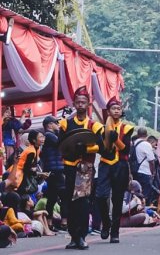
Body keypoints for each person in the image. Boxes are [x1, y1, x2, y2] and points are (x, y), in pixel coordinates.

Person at [59, 86, 104, 250]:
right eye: (77, 102)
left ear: (88, 104)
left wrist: (85, 149)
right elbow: (60, 145)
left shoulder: (94, 125)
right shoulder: (65, 123)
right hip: (70, 167)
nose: (80, 105)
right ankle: (73, 237)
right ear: (74, 104)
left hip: (85, 168)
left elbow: (101, 147)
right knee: (70, 203)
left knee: (83, 203)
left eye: (83, 102)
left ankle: (82, 236)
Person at [95, 97, 134, 243]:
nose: (116, 111)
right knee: (100, 196)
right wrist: (104, 141)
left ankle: (115, 232)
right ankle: (106, 222)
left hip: (120, 166)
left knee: (117, 199)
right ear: (109, 111)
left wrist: (116, 139)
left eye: (118, 108)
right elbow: (101, 150)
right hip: (105, 164)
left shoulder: (127, 128)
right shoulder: (100, 128)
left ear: (121, 110)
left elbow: (126, 149)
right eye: (113, 108)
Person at [40, 116, 65, 231]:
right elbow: (61, 143)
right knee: (63, 195)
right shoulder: (50, 136)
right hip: (55, 169)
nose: (58, 125)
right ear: (49, 125)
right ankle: (64, 221)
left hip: (53, 169)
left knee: (52, 196)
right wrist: (62, 130)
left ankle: (50, 222)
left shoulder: (50, 136)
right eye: (56, 123)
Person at [15, 129, 47, 198]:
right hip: (19, 176)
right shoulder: (31, 151)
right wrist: (40, 174)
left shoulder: (36, 149)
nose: (43, 139)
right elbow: (26, 169)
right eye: (40, 137)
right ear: (34, 140)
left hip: (21, 175)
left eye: (43, 137)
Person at [132, 127, 158, 206]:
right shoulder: (146, 144)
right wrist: (153, 172)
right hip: (145, 172)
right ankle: (144, 212)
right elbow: (151, 161)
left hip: (135, 171)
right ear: (146, 135)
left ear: (138, 134)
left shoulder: (134, 143)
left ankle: (136, 209)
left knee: (137, 193)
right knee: (145, 194)